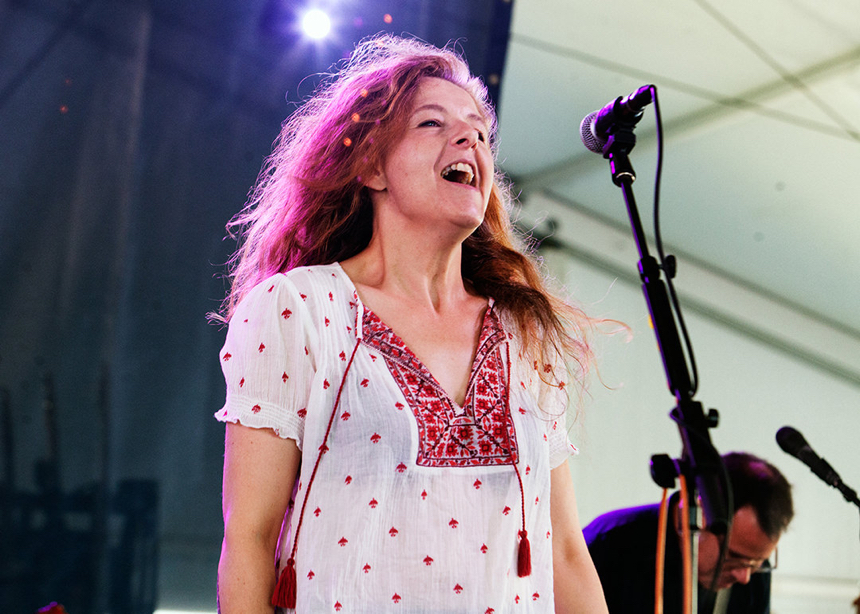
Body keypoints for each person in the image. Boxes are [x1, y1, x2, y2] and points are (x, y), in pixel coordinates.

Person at [213, 35, 609, 613]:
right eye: (432, 123)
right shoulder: (300, 310)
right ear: (371, 165)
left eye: (478, 128)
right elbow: (249, 539)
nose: (469, 137)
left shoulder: (523, 332)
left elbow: (566, 553)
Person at [583, 452, 793, 614]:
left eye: (755, 563)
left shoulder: (750, 565)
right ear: (699, 514)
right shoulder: (610, 544)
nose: (744, 577)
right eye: (733, 557)